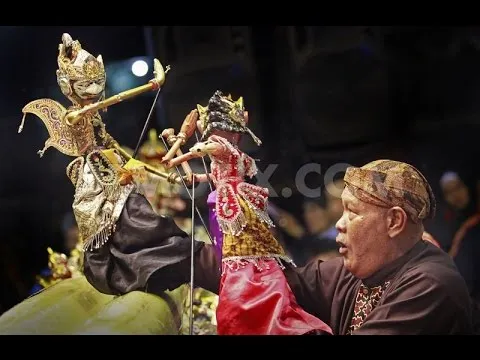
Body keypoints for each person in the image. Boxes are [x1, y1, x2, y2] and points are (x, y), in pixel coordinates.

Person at [86, 159, 473, 334]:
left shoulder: (430, 284)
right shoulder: (365, 273)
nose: (339, 223)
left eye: (352, 213)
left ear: (394, 222)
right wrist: (145, 238)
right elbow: (278, 279)